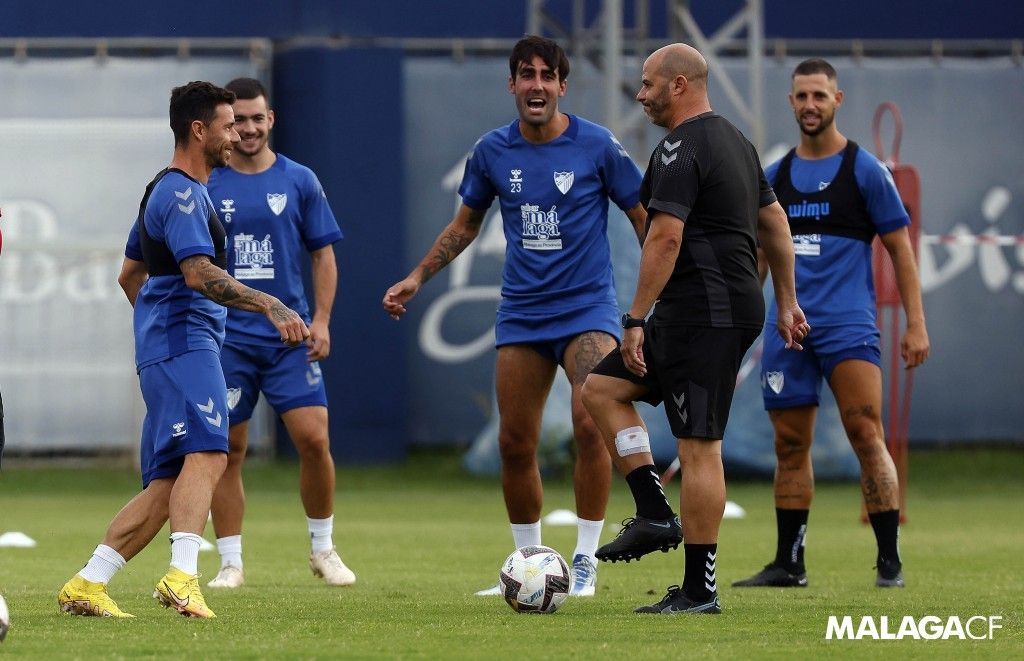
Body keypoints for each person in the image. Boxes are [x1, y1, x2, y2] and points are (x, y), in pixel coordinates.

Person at [383, 35, 647, 597]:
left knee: (590, 426)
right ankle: (529, 563)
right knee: (515, 442)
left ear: (562, 86)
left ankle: (584, 561)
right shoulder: (492, 151)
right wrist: (418, 276)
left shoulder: (598, 145)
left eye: (547, 75)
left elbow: (644, 216)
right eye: (527, 74)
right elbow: (465, 226)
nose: (537, 85)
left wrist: (661, 291)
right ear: (512, 84)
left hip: (587, 309)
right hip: (524, 313)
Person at [57, 81, 309, 619]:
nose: (237, 135)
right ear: (199, 130)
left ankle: (88, 582)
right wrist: (270, 304)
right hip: (185, 347)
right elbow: (198, 274)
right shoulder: (183, 195)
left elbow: (129, 274)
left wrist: (154, 332)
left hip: (172, 348)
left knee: (169, 482)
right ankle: (182, 577)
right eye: (228, 125)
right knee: (213, 452)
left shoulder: (165, 190)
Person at [581, 43, 809, 615]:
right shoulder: (736, 140)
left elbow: (665, 238)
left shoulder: (679, 147)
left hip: (704, 312)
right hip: (712, 307)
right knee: (601, 389)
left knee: (700, 447)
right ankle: (654, 511)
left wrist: (635, 319)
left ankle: (699, 591)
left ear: (679, 84)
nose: (640, 94)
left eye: (647, 83)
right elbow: (775, 222)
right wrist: (785, 300)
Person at [732, 58, 929, 590]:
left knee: (866, 433)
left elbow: (901, 250)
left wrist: (916, 324)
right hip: (788, 331)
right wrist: (741, 324)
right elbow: (759, 260)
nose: (810, 105)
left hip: (848, 328)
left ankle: (889, 562)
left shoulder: (865, 171)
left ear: (837, 100)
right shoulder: (774, 177)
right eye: (801, 96)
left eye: (819, 95)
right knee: (789, 444)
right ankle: (789, 563)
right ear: (791, 102)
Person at [203, 78, 353, 590]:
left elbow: (323, 254)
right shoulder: (210, 182)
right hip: (229, 338)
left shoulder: (299, 179)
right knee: (228, 448)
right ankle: (230, 562)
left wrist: (322, 320)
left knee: (314, 439)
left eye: (256, 118)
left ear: (271, 120)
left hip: (290, 337)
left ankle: (323, 548)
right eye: (238, 120)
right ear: (227, 125)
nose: (248, 129)